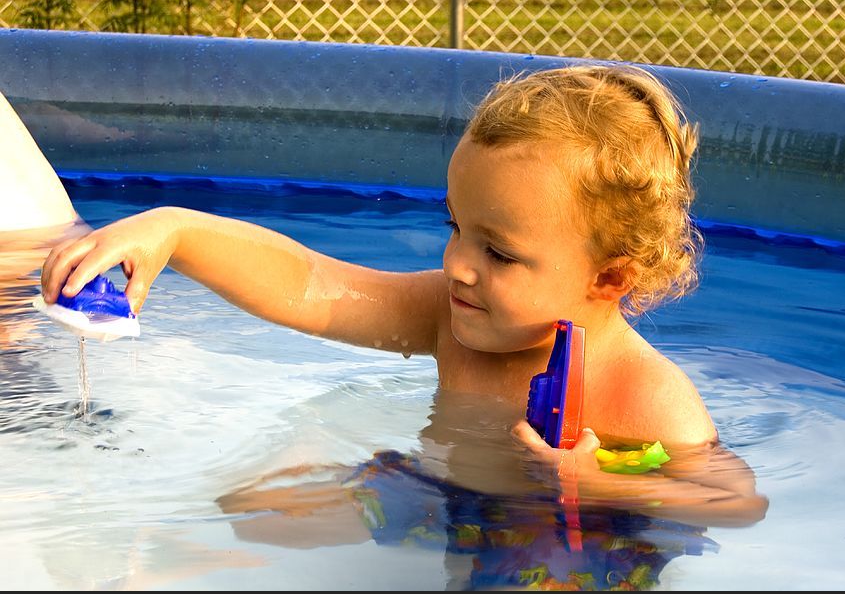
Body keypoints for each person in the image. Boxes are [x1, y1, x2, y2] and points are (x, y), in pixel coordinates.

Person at [39, 64, 768, 522]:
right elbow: (311, 285)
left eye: (500, 252)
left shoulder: (643, 394)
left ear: (609, 278)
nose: (457, 265)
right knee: (255, 510)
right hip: (444, 496)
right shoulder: (451, 320)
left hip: (578, 559)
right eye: (457, 229)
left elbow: (734, 503)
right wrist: (175, 230)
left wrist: (599, 483)